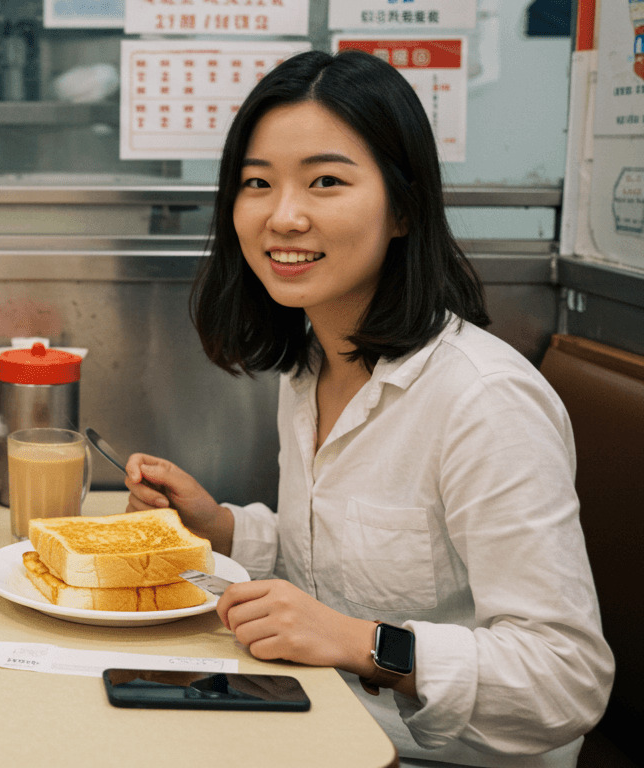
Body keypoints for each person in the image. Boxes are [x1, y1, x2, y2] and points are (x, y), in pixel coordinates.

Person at [124, 50, 612, 767]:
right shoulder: (313, 362)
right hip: (326, 725)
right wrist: (222, 528)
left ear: (404, 209)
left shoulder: (484, 400)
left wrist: (361, 644)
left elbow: (566, 680)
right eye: (257, 183)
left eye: (325, 181)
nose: (283, 216)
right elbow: (340, 570)